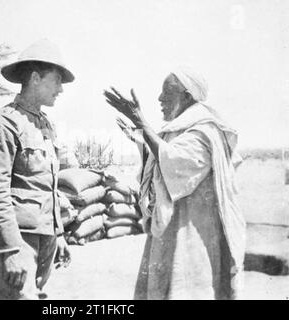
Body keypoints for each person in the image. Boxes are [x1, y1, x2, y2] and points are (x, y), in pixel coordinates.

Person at [104, 67, 246, 300]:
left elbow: (175, 162)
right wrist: (140, 138)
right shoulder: (180, 128)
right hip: (171, 229)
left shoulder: (204, 131)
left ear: (187, 96)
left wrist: (140, 121)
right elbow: (161, 162)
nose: (160, 98)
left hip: (193, 233)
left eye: (167, 93)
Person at [0, 39, 74, 300]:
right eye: (56, 80)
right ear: (35, 78)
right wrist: (9, 250)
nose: (61, 89)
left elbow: (46, 186)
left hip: (46, 242)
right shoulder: (4, 123)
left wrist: (59, 234)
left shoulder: (44, 124)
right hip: (19, 243)